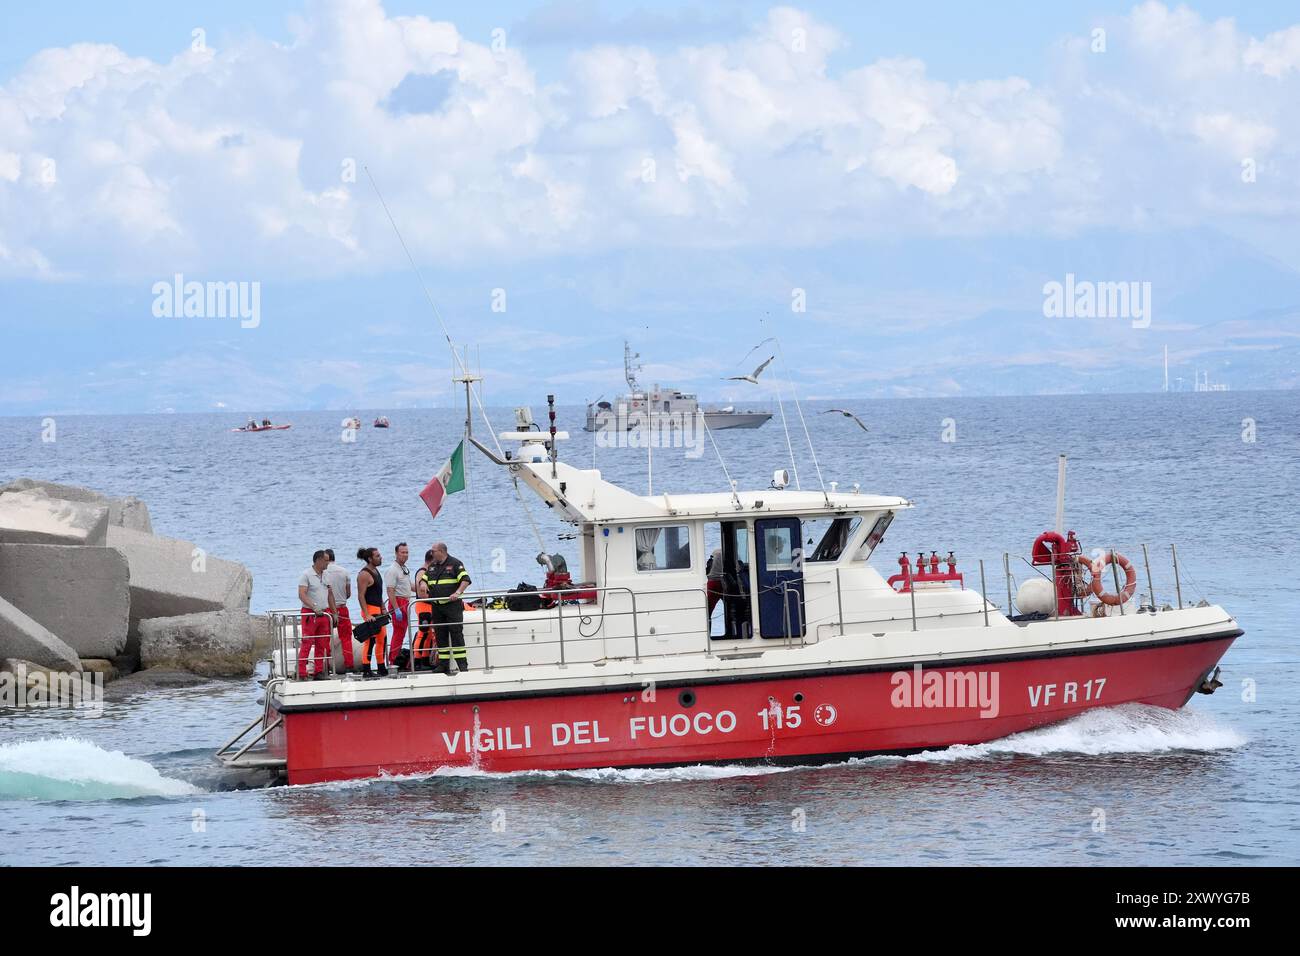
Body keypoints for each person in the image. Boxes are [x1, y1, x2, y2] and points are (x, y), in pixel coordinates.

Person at [426, 542, 471, 674]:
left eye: (433, 551)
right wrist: (423, 584)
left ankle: (462, 665)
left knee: (456, 634)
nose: (431, 553)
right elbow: (425, 578)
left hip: (452, 607)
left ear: (441, 551)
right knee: (440, 636)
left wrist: (457, 593)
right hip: (437, 606)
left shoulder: (455, 563)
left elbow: (466, 580)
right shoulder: (433, 565)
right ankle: (443, 664)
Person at [296, 550, 337, 680]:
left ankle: (318, 671)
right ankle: (301, 672)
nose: (328, 563)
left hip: (324, 613)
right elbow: (302, 593)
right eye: (325, 560)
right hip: (310, 613)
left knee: (322, 642)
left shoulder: (326, 575)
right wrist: (313, 607)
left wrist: (334, 612)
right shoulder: (306, 575)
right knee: (307, 642)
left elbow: (330, 594)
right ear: (318, 560)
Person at [356, 547, 388, 678]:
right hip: (369, 609)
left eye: (380, 555)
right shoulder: (364, 574)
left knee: (382, 638)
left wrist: (383, 607)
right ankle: (366, 668)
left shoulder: (376, 570)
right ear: (370, 558)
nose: (381, 557)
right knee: (370, 641)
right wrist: (367, 614)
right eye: (377, 556)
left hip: (378, 609)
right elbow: (361, 596)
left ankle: (381, 666)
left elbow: (378, 592)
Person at [324, 548, 354, 673]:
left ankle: (325, 665)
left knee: (325, 637)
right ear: (334, 558)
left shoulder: (322, 572)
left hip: (326, 609)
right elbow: (348, 593)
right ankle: (349, 665)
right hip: (342, 608)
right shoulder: (344, 572)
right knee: (346, 638)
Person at [384, 542, 413, 668]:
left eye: (406, 552)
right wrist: (396, 609)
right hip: (398, 602)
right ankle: (393, 660)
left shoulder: (404, 569)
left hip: (406, 601)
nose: (405, 555)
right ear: (396, 553)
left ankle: (396, 658)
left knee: (402, 633)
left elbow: (408, 585)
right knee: (398, 633)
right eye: (402, 552)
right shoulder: (392, 570)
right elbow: (390, 590)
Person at [412, 549, 438, 670]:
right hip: (423, 605)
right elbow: (422, 592)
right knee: (423, 633)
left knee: (428, 635)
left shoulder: (428, 571)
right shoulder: (422, 572)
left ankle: (425, 659)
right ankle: (417, 660)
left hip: (429, 605)